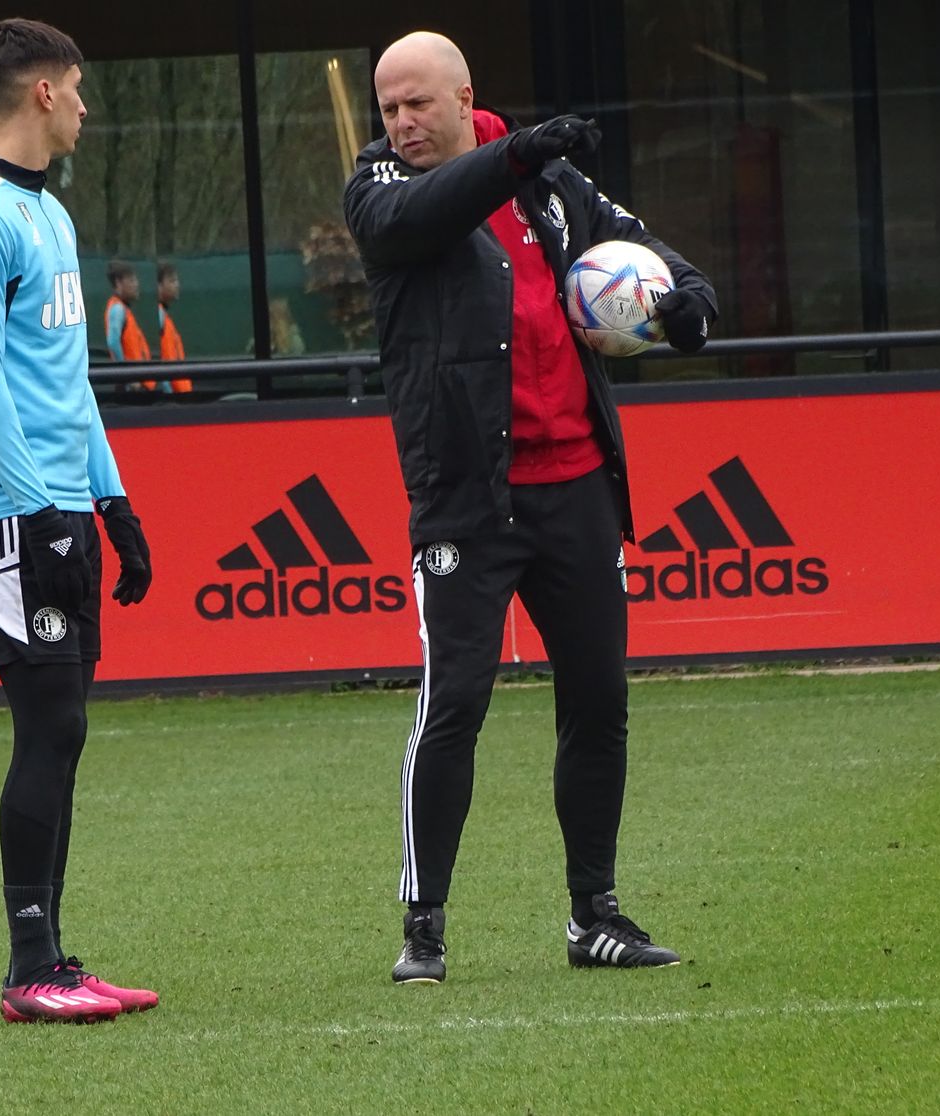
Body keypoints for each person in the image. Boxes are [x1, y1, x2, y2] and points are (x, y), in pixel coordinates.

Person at [344, 31, 718, 983]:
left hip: (577, 484)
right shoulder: (382, 188)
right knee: (454, 704)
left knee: (598, 698)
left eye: (417, 103)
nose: (400, 123)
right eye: (388, 107)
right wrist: (516, 152)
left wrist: (689, 298)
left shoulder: (549, 183)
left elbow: (639, 247)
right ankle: (424, 928)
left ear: (464, 97)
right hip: (465, 498)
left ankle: (595, 915)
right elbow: (427, 212)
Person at [0, 16, 157, 1025]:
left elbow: (67, 383)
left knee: (67, 730)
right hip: (4, 512)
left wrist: (112, 498)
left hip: (58, 507)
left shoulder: (49, 214)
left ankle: (54, 957)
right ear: (44, 92)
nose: (87, 108)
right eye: (79, 88)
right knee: (49, 724)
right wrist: (40, 508)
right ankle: (29, 970)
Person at [103, 259, 154, 391]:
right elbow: (113, 342)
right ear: (118, 283)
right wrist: (128, 376)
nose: (136, 284)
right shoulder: (118, 309)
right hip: (131, 386)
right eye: (131, 280)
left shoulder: (123, 310)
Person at [153, 261, 192, 393]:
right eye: (172, 281)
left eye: (176, 280)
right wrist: (168, 391)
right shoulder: (159, 316)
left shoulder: (164, 316)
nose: (177, 285)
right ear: (159, 286)